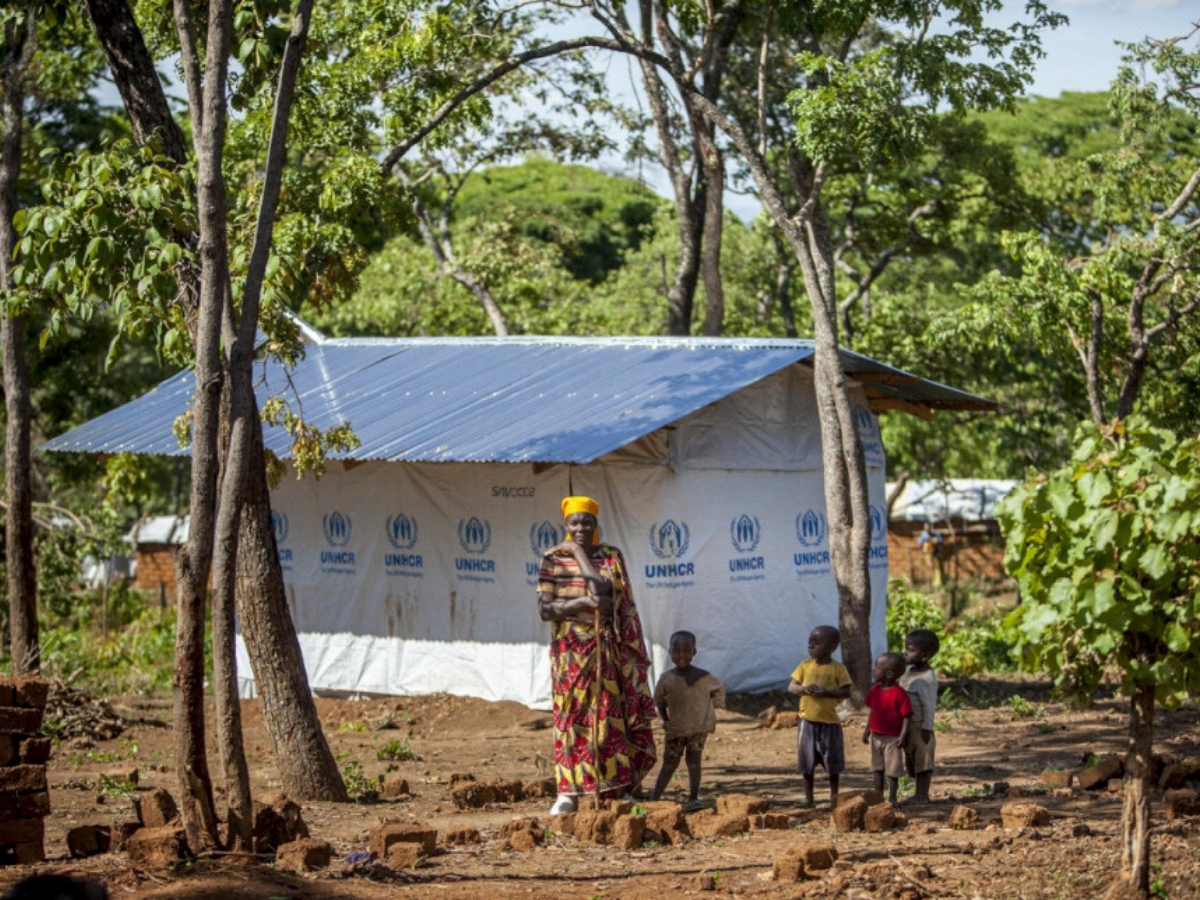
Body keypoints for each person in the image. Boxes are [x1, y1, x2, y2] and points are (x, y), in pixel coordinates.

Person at [537, 495, 657, 815]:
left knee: (609, 715)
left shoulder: (611, 556)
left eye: (586, 522)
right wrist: (581, 604)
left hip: (605, 648)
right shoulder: (553, 560)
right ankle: (569, 792)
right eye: (573, 523)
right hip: (568, 656)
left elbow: (602, 588)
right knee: (571, 718)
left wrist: (579, 552)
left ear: (595, 524)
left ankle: (616, 788)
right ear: (565, 524)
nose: (580, 528)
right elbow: (545, 610)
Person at [651, 630, 726, 808]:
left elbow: (719, 690)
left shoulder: (704, 677)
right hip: (676, 729)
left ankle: (693, 798)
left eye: (686, 651)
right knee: (669, 763)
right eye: (677, 651)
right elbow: (659, 701)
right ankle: (654, 798)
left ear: (694, 652)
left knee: (694, 761)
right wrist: (665, 720)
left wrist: (712, 710)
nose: (681, 655)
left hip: (698, 729)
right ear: (669, 652)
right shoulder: (667, 679)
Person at [787, 625, 852, 807]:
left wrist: (826, 692)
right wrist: (804, 689)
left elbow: (846, 691)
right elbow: (792, 687)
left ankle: (834, 797)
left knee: (832, 762)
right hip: (807, 722)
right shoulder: (805, 665)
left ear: (831, 647)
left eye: (816, 643)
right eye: (809, 642)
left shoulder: (838, 669)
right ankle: (808, 798)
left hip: (829, 722)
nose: (810, 646)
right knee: (807, 761)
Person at [862, 651, 913, 804]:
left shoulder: (899, 693)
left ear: (889, 674)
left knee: (892, 769)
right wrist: (867, 730)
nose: (874, 670)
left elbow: (907, 716)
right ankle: (878, 796)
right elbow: (872, 711)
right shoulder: (875, 690)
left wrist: (903, 736)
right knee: (877, 767)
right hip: (876, 736)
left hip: (892, 738)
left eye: (877, 667)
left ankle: (892, 797)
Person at [900, 628, 941, 803]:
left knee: (923, 761)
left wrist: (927, 728)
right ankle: (917, 793)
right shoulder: (908, 673)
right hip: (907, 725)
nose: (905, 653)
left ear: (924, 655)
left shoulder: (927, 679)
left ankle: (922, 794)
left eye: (910, 650)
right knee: (911, 760)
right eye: (906, 649)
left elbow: (929, 706)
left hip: (920, 726)